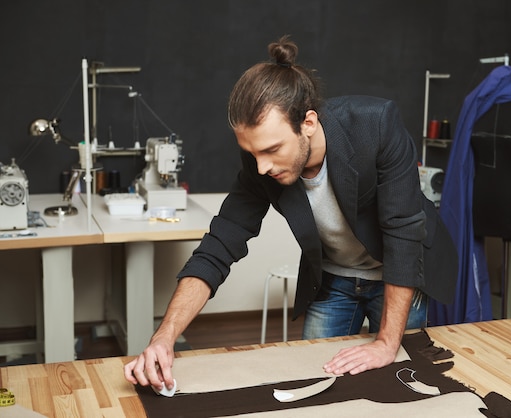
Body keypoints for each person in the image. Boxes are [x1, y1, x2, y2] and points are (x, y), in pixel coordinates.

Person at [124, 35, 456, 393]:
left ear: (308, 123)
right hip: (334, 280)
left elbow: (404, 233)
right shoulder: (260, 162)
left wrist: (387, 344)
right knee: (313, 382)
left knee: (402, 383)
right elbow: (219, 245)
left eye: (271, 149)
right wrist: (164, 336)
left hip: (397, 273)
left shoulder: (376, 125)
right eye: (252, 154)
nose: (262, 166)